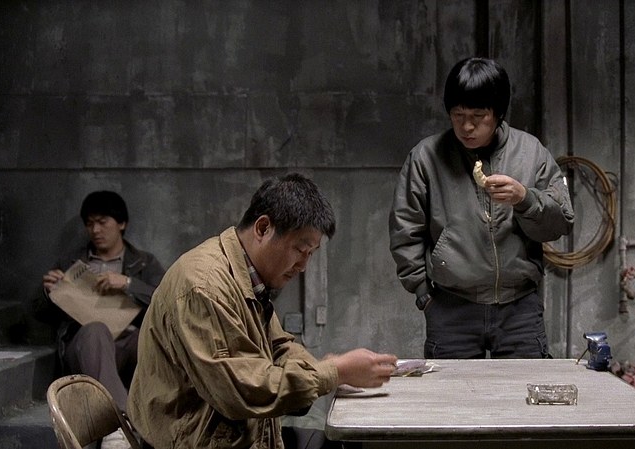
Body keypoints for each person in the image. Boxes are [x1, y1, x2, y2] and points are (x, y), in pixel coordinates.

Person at [128, 173, 397, 449]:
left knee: (345, 442)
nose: (303, 266)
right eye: (300, 249)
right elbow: (241, 391)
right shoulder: (204, 286)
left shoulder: (246, 275)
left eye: (311, 253)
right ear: (263, 228)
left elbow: (279, 346)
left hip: (231, 433)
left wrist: (326, 369)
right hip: (195, 441)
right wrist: (332, 373)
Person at [388, 57, 574, 359]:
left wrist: (525, 198)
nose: (467, 126)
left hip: (519, 308)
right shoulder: (426, 157)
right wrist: (423, 294)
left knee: (525, 389)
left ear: (498, 114)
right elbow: (404, 230)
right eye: (458, 115)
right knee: (453, 391)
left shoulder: (530, 153)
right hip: (451, 307)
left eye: (478, 116)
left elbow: (561, 222)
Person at [39, 190, 165, 448]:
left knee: (148, 336)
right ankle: (120, 425)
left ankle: (159, 414)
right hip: (88, 346)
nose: (95, 230)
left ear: (121, 223)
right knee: (96, 329)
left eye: (102, 222)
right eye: (90, 223)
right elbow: (40, 313)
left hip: (127, 346)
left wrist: (128, 283)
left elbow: (166, 301)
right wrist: (49, 292)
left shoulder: (143, 262)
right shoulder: (71, 261)